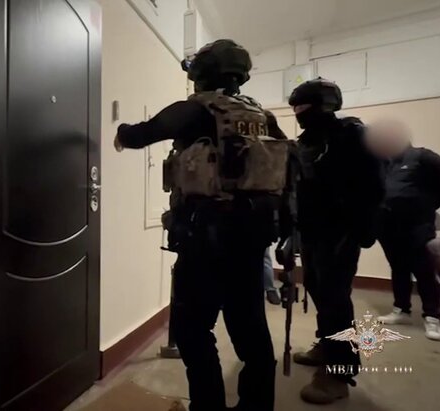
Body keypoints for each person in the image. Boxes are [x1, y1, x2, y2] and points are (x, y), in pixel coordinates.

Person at [114, 39, 290, 411]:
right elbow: (287, 173)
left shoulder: (196, 109)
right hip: (251, 239)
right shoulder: (263, 116)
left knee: (192, 330)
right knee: (251, 330)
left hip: (205, 241)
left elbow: (139, 135)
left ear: (202, 74)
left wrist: (120, 131)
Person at [287, 78, 385, 405]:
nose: (299, 113)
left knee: (335, 299)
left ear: (326, 105)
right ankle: (327, 344)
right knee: (318, 289)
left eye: (304, 106)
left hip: (341, 232)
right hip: (312, 231)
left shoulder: (352, 135)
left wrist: (360, 230)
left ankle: (339, 373)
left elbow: (374, 186)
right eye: (296, 108)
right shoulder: (308, 142)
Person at [366, 119, 440, 341]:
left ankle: (432, 317)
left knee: (424, 269)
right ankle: (401, 310)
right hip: (387, 225)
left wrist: (425, 206)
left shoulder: (424, 157)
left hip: (417, 225)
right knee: (398, 267)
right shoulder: (382, 161)